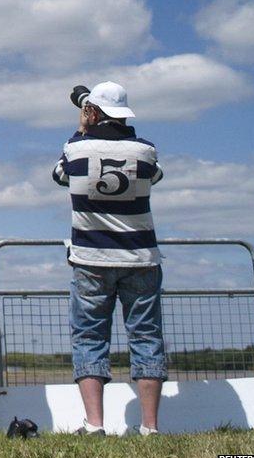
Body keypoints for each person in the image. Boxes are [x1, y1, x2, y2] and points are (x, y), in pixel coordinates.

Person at [52, 81, 167, 436]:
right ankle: (150, 427)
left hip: (91, 258)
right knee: (146, 336)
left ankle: (94, 424)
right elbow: (156, 177)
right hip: (141, 258)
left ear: (92, 112)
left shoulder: (76, 148)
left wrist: (81, 127)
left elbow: (59, 176)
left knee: (90, 338)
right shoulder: (146, 151)